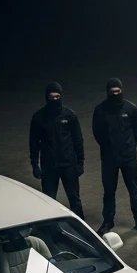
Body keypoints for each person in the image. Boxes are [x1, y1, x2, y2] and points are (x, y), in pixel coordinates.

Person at [91, 78, 137, 234]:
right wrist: (109, 148)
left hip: (129, 157)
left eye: (118, 91)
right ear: (108, 92)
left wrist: (129, 147)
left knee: (134, 190)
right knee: (109, 191)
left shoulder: (130, 109)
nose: (115, 94)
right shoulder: (100, 110)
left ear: (121, 91)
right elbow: (97, 133)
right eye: (112, 91)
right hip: (109, 159)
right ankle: (108, 222)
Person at [28, 82, 85, 218]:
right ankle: (50, 231)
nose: (55, 100)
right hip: (49, 167)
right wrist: (34, 164)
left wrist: (80, 163)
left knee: (74, 199)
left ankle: (83, 229)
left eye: (57, 96)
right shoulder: (39, 117)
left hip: (68, 165)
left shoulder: (69, 115)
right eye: (51, 97)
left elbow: (78, 140)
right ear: (46, 97)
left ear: (61, 96)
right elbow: (33, 143)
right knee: (48, 201)